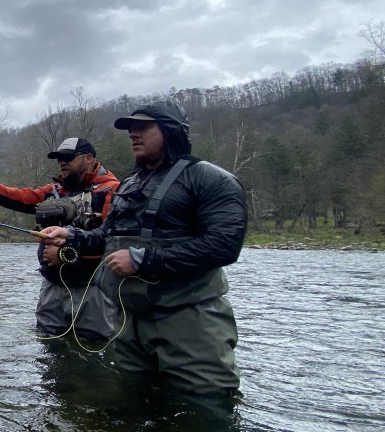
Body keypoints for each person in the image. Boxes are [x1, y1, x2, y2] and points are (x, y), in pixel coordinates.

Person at [35, 101, 247, 397]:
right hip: (130, 323)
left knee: (204, 410)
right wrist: (70, 236)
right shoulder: (130, 184)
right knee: (131, 403)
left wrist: (143, 260)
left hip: (190, 322)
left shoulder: (211, 179)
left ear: (172, 130)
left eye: (143, 127)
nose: (133, 134)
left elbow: (224, 247)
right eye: (131, 129)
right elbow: (106, 235)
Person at [0, 137, 120, 343]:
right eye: (59, 158)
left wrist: (65, 255)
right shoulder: (56, 191)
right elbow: (22, 197)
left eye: (67, 157)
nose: (61, 162)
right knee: (48, 347)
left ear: (88, 159)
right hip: (52, 286)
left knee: (94, 349)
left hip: (92, 290)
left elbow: (112, 242)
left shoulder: (111, 191)